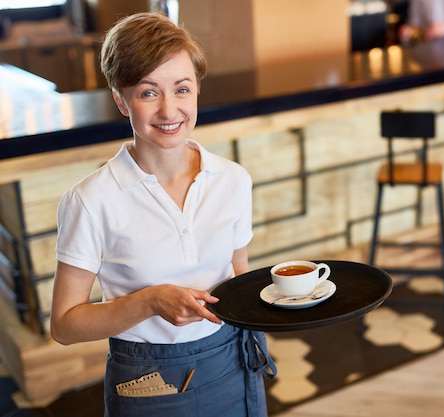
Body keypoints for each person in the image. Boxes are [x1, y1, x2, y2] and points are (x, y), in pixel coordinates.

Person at [50, 12, 275, 417]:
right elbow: (65, 325)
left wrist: (291, 305)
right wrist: (150, 302)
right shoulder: (90, 200)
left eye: (182, 89)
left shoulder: (233, 180)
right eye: (148, 93)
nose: (170, 110)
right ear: (121, 100)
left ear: (197, 91)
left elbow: (239, 274)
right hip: (150, 378)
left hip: (234, 358)